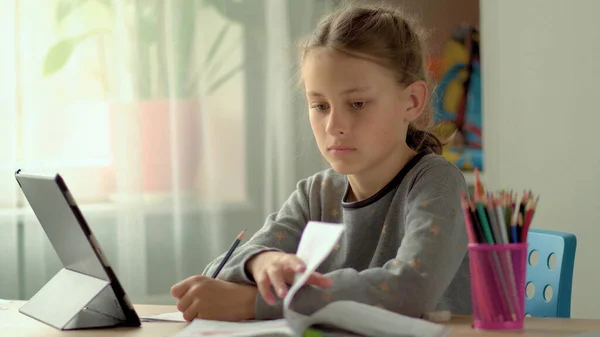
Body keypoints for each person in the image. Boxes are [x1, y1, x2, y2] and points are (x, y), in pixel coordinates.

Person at [170, 3, 471, 322]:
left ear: (411, 101)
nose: (333, 126)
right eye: (320, 105)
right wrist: (262, 262)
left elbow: (410, 290)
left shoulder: (437, 182)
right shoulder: (316, 193)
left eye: (357, 103)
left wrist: (256, 303)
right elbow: (219, 275)